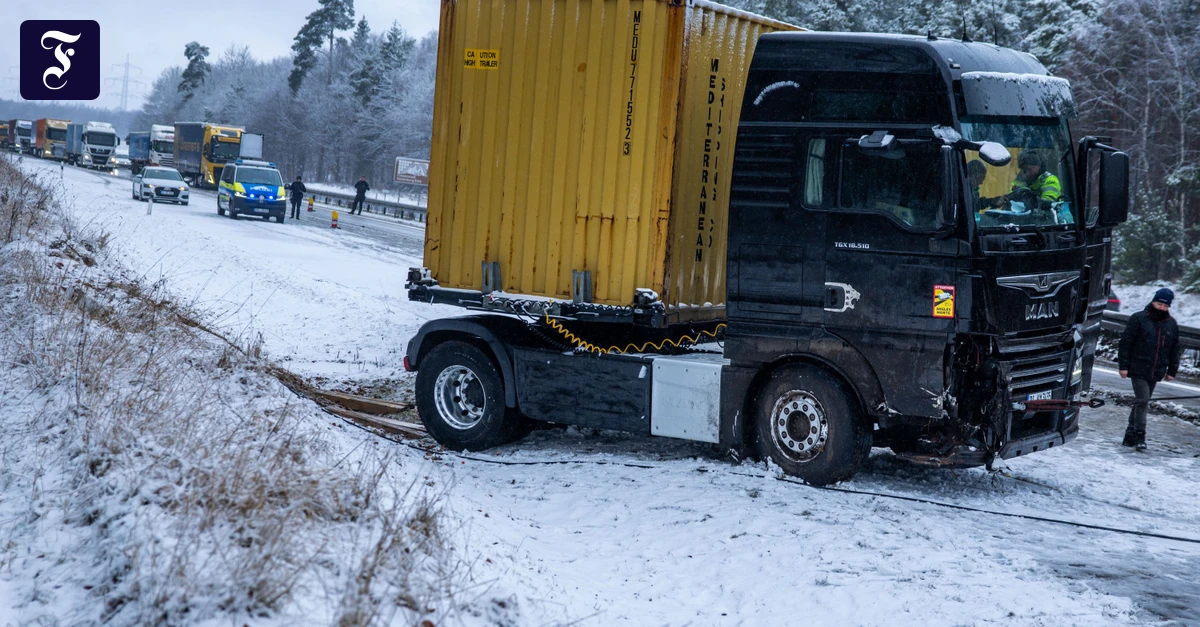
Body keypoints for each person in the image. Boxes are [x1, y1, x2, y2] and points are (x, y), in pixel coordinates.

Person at [1117, 288, 1182, 449]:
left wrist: (1172, 370)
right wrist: (1123, 366)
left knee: (1141, 401)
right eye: (1159, 304)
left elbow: (1174, 349)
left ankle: (1129, 434)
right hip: (1138, 367)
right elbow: (1126, 343)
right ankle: (1140, 435)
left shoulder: (1171, 324)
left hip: (1156, 370)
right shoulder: (1138, 318)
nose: (1161, 308)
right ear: (1153, 302)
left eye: (1165, 306)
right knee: (1143, 401)